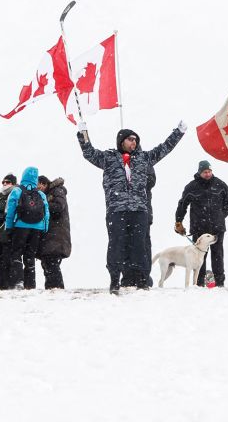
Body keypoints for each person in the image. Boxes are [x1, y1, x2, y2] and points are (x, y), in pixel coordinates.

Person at [79, 123, 187, 294]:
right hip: (116, 209)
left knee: (140, 246)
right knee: (116, 245)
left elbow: (164, 148)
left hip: (139, 210)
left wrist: (178, 132)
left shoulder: (144, 158)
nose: (134, 143)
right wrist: (82, 133)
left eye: (136, 140)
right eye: (130, 139)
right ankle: (115, 279)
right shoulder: (108, 158)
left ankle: (142, 280)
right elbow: (89, 153)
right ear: (122, 141)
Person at [175, 160, 228, 287]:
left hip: (217, 227)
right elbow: (182, 204)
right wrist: (179, 221)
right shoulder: (191, 187)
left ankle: (219, 283)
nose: (208, 174)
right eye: (205, 172)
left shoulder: (220, 185)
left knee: (218, 255)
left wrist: (222, 215)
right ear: (199, 172)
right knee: (199, 256)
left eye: (209, 171)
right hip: (199, 227)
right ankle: (199, 283)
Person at [3, 166, 50, 290]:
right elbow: (46, 213)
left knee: (17, 253)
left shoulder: (17, 191)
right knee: (30, 255)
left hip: (20, 226)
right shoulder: (40, 194)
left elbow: (10, 211)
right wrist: (44, 228)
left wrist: (9, 227)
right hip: (37, 228)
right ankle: (30, 284)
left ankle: (18, 281)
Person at [37, 175, 71, 289]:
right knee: (48, 264)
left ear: (43, 183)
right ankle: (52, 289)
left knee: (51, 263)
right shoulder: (48, 194)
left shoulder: (57, 190)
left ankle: (56, 289)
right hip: (51, 236)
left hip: (56, 235)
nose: (37, 189)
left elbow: (58, 207)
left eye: (38, 186)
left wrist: (42, 204)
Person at [0, 173, 19, 289]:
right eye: (3, 182)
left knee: (7, 264)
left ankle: (7, 287)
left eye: (8, 182)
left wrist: (2, 215)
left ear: (14, 183)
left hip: (7, 236)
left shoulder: (16, 194)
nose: (5, 184)